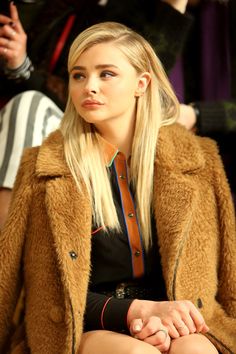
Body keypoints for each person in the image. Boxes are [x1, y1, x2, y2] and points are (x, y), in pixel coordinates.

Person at [0, 21, 235, 354]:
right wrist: (137, 312)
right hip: (83, 324)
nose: (88, 87)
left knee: (195, 350)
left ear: (142, 83)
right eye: (79, 75)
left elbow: (229, 273)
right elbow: (40, 288)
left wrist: (159, 318)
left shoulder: (199, 161)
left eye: (106, 74)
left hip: (176, 319)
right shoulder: (45, 169)